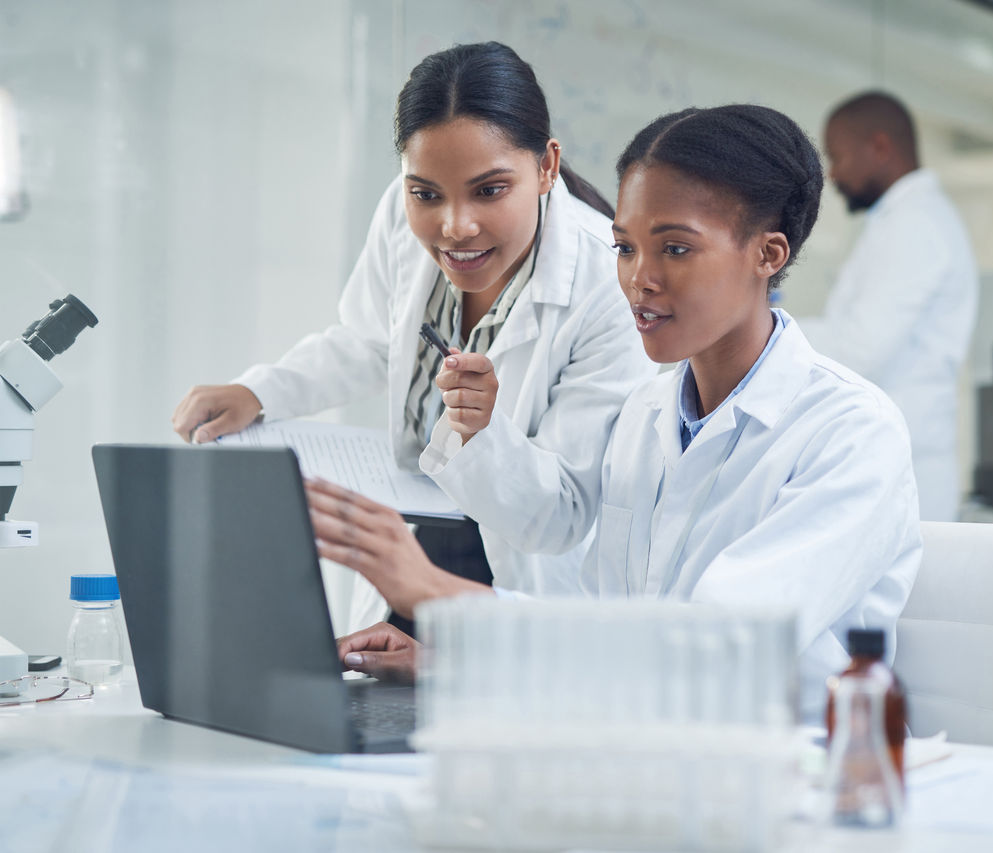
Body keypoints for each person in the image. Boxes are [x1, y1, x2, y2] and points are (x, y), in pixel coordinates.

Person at [308, 104, 922, 722]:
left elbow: (715, 648)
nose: (639, 279)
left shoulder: (851, 433)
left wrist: (439, 592)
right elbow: (605, 631)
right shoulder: (646, 417)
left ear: (768, 254)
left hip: (789, 774)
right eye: (625, 248)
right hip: (643, 752)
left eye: (675, 249)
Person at [170, 43, 653, 608]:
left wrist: (480, 433)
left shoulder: (607, 283)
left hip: (523, 583)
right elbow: (370, 340)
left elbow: (562, 514)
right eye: (426, 194)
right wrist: (260, 391)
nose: (454, 226)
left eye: (489, 190)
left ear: (545, 166)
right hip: (414, 545)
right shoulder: (400, 216)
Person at [804, 91, 977, 522]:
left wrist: (757, 328)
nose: (833, 173)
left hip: (907, 470)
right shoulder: (902, 222)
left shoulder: (916, 225)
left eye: (838, 157)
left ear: (880, 148)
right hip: (893, 461)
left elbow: (860, 351)